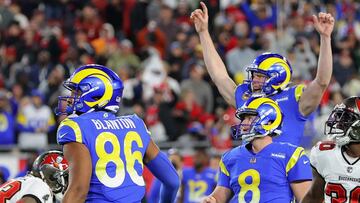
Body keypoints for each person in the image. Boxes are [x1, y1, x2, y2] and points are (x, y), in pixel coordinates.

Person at [190, 2, 335, 145]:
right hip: (251, 165)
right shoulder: (247, 97)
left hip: (284, 166)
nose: (254, 80)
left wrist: (325, 38)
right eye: (254, 75)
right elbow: (219, 76)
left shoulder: (294, 98)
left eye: (260, 76)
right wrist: (203, 33)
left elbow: (322, 81)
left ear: (278, 76)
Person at [56, 64, 179, 203]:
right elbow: (173, 181)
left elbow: (78, 192)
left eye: (76, 93)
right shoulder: (136, 124)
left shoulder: (76, 127)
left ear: (96, 95)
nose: (71, 99)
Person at [202, 97, 312, 203]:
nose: (243, 124)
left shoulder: (291, 155)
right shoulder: (230, 157)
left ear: (269, 121)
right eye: (243, 118)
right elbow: (220, 195)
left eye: (249, 118)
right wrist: (211, 200)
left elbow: (307, 200)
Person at [302, 96, 360, 203]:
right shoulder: (326, 154)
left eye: (346, 119)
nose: (338, 123)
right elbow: (313, 198)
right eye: (340, 117)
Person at [0, 150, 69, 203]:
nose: (67, 183)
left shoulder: (27, 182)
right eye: (65, 178)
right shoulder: (41, 186)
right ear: (52, 176)